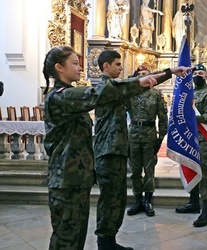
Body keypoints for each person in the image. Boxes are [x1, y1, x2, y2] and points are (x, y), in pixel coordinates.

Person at [42, 46, 159, 250]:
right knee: (66, 238)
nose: (80, 68)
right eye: (75, 63)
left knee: (76, 236)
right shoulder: (60, 96)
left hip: (77, 177)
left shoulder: (68, 95)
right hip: (65, 179)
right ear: (59, 67)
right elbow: (99, 94)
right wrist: (143, 81)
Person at [94, 50, 190, 249]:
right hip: (109, 151)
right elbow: (136, 84)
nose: (121, 67)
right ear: (106, 66)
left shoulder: (115, 87)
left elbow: (140, 87)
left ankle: (109, 241)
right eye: (118, 64)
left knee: (116, 198)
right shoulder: (108, 87)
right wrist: (170, 71)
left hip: (120, 147)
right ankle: (105, 242)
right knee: (111, 198)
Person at [175, 64, 207, 228]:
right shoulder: (188, 94)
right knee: (190, 168)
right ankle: (194, 202)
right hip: (189, 139)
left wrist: (191, 116)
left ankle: (206, 211)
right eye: (195, 74)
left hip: (203, 140)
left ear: (206, 77)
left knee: (206, 174)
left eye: (201, 74)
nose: (197, 76)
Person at [125, 65, 168, 217]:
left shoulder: (156, 94)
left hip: (150, 134)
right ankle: (138, 200)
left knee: (149, 169)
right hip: (134, 134)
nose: (142, 76)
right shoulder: (130, 94)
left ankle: (148, 200)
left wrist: (161, 137)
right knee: (135, 170)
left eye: (145, 74)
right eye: (140, 74)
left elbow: (163, 116)